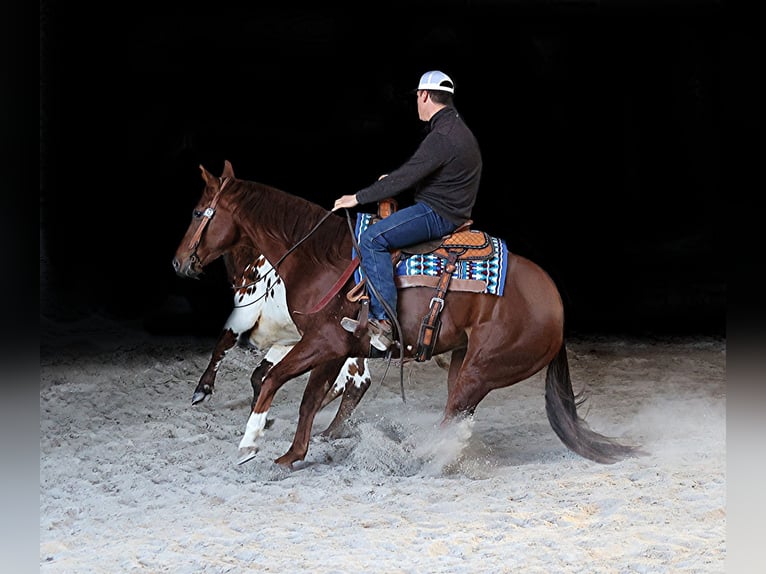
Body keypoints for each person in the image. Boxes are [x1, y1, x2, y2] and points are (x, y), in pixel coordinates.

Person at [332, 70, 483, 351]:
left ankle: (384, 321)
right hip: (447, 207)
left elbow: (408, 177)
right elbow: (423, 171)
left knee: (373, 238)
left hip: (439, 214)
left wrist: (358, 197)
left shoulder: (442, 136)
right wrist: (392, 181)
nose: (417, 103)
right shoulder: (454, 127)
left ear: (424, 95)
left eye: (417, 97)